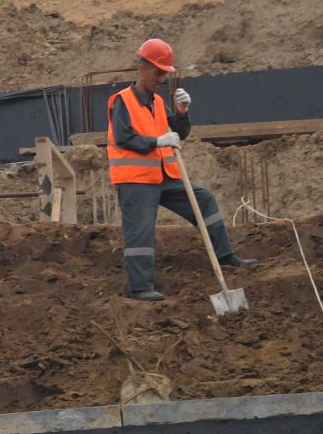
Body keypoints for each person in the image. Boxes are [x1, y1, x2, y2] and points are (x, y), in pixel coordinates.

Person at [107, 38, 256, 301]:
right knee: (140, 230)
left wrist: (182, 113)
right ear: (142, 67)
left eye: (165, 72)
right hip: (136, 180)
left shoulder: (156, 102)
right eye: (158, 71)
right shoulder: (123, 101)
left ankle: (224, 255)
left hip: (164, 175)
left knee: (204, 200)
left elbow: (178, 134)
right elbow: (123, 138)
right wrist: (157, 141)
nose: (162, 77)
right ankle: (141, 287)